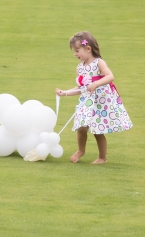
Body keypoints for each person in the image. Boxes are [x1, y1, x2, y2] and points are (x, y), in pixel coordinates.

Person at [55, 31, 133, 164]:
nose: (75, 54)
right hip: (86, 102)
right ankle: (81, 150)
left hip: (100, 102)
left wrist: (96, 84)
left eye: (77, 51)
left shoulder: (99, 63)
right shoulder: (80, 68)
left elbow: (110, 76)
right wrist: (65, 92)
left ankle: (102, 157)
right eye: (74, 51)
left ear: (88, 48)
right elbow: (81, 88)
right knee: (81, 127)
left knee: (98, 130)